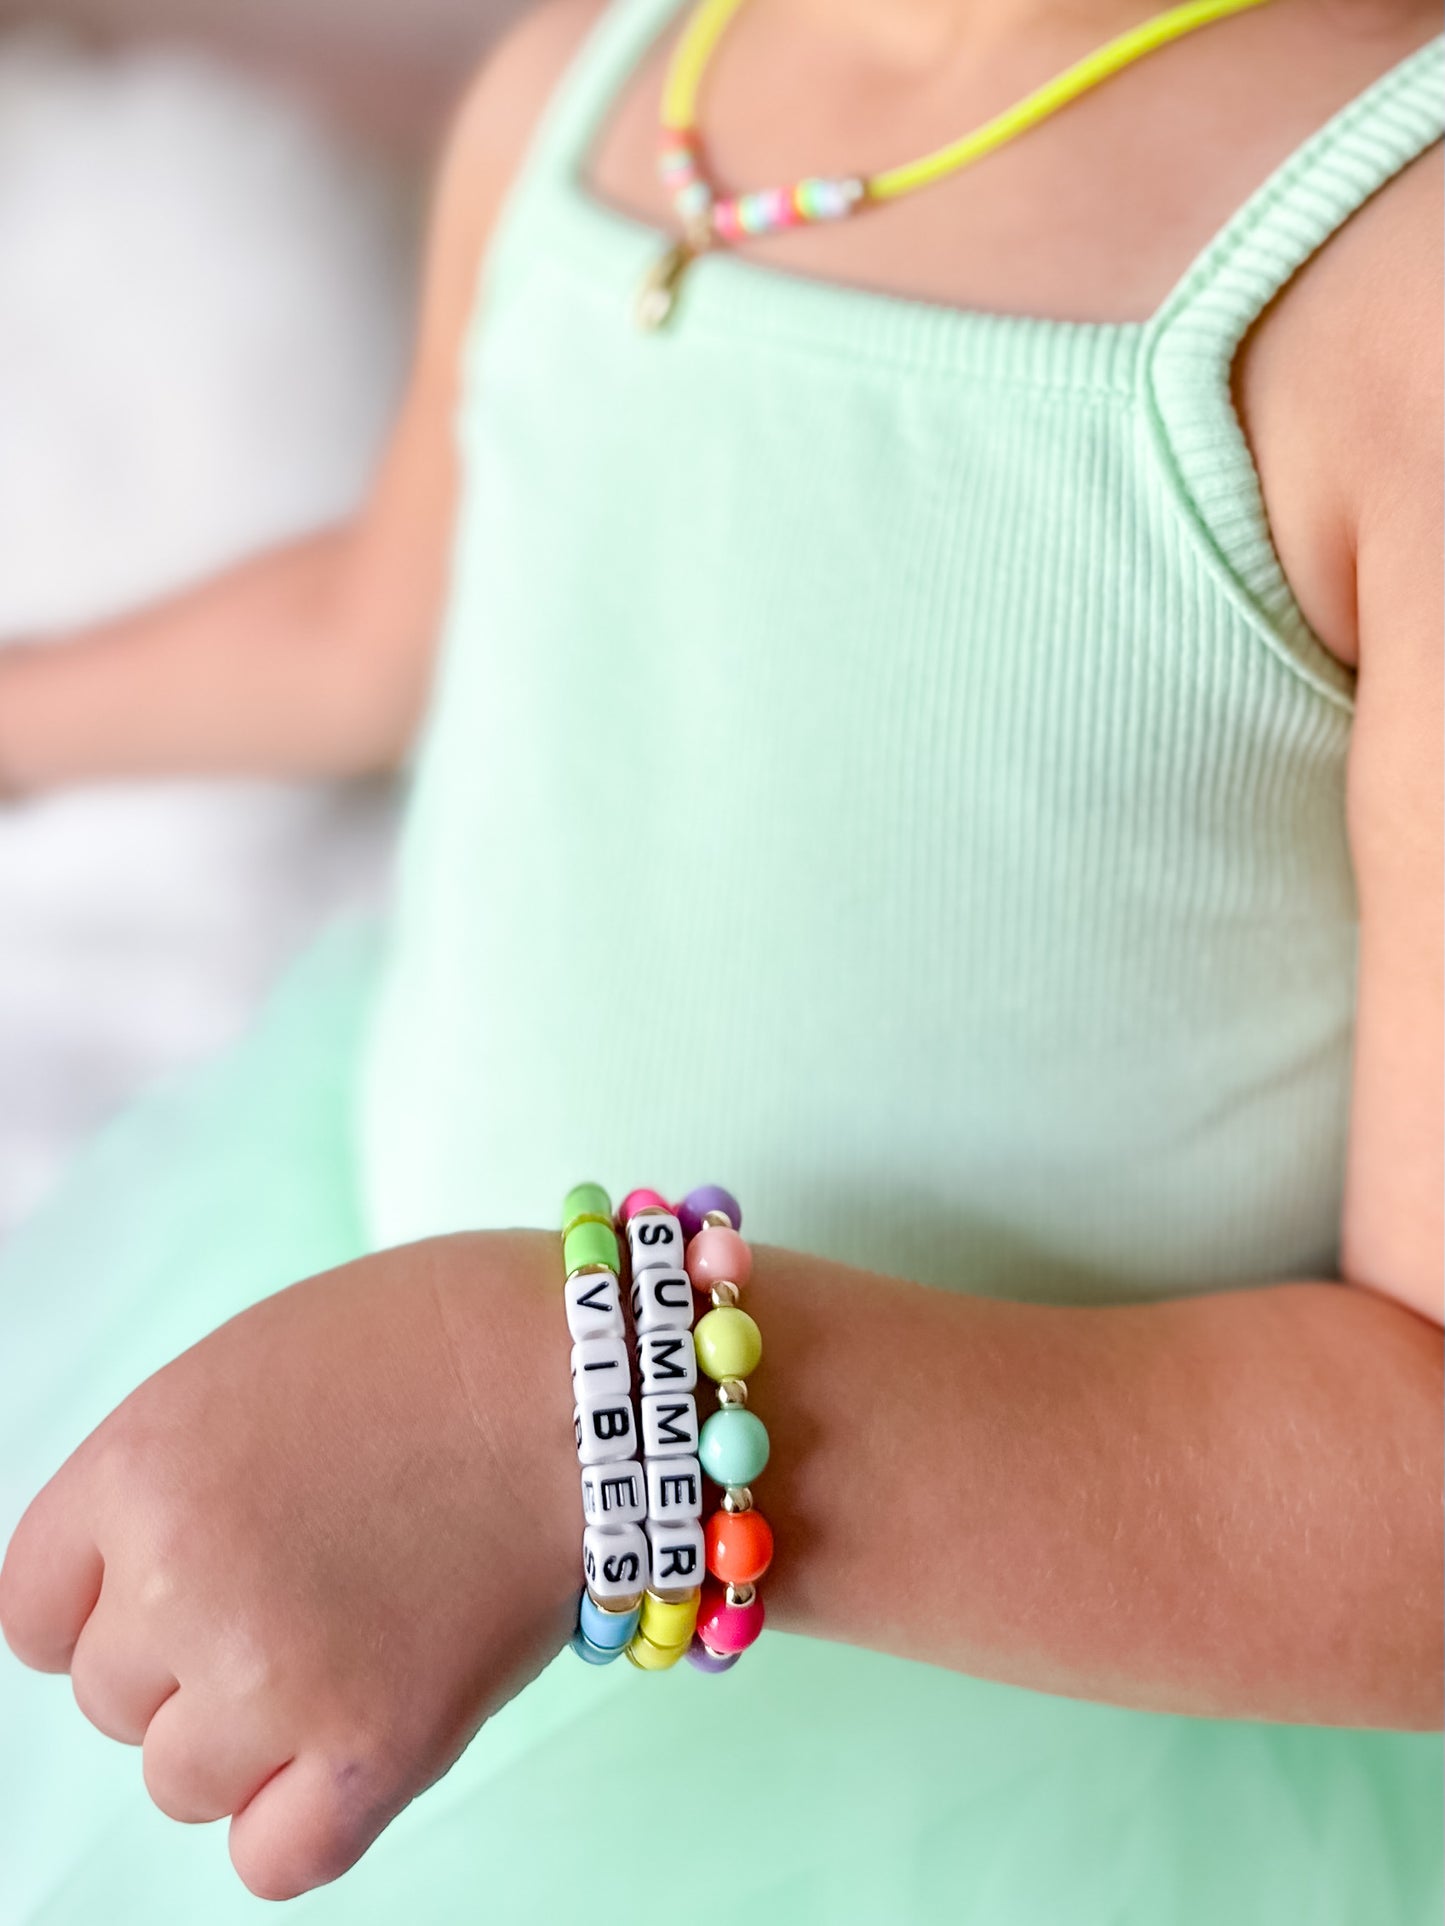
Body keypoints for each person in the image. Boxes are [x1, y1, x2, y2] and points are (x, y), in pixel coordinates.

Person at [0, 0, 1440, 1919]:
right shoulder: (600, 78)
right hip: (358, 1459)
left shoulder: (1390, 278)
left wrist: (570, 1413)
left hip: (980, 1744)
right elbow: (382, 616)